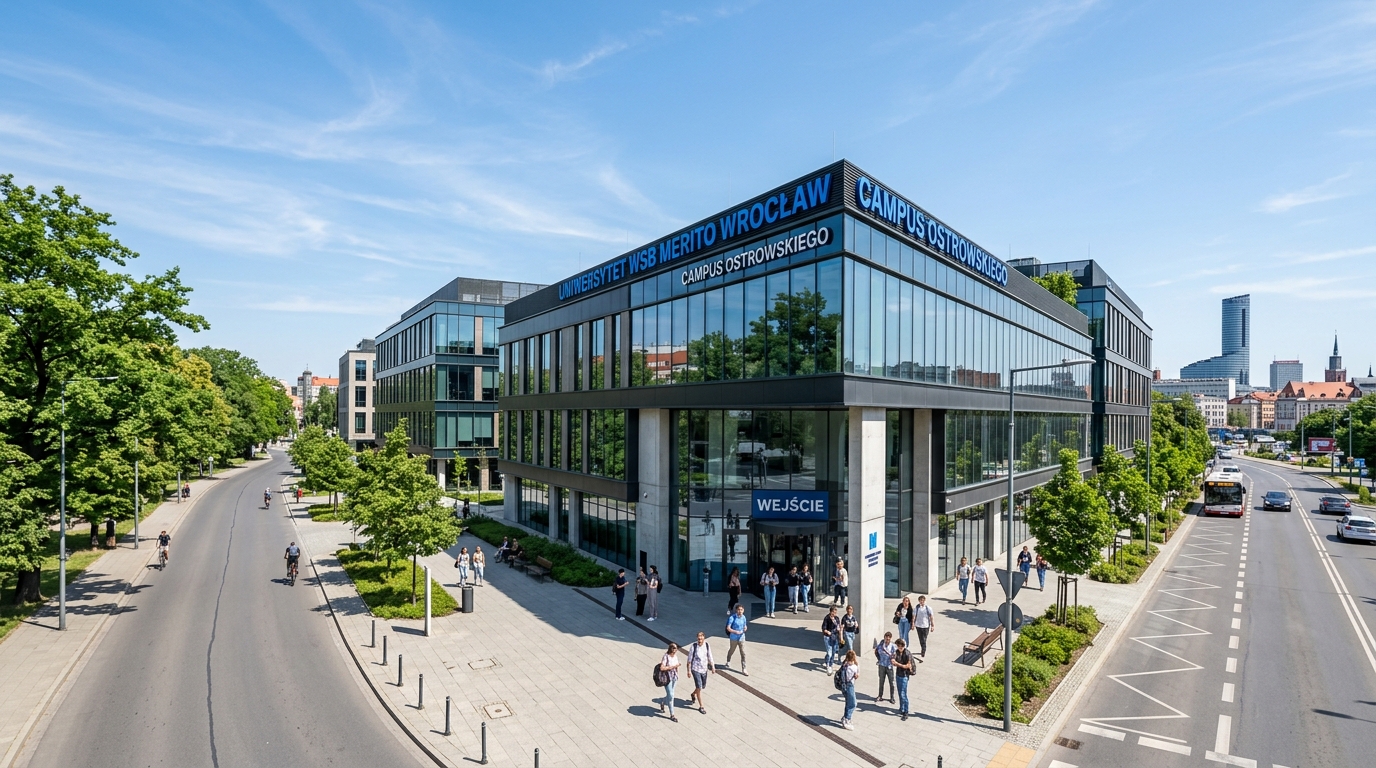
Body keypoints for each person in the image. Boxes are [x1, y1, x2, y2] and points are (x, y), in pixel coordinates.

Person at [687, 631, 715, 713]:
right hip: (695, 669)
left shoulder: (707, 645)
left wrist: (713, 666)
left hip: (704, 669)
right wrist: (688, 671)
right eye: (698, 638)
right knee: (699, 687)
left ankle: (693, 694)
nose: (700, 640)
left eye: (701, 638)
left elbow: (710, 656)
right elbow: (689, 660)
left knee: (702, 686)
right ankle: (701, 706)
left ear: (704, 638)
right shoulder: (693, 646)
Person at [658, 641, 681, 722]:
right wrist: (671, 667)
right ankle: (672, 715)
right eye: (674, 648)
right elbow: (662, 668)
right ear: (670, 648)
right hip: (667, 678)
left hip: (674, 677)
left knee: (670, 694)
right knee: (671, 695)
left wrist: (677, 674)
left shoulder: (675, 657)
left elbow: (677, 666)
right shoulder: (666, 656)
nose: (675, 650)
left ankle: (663, 702)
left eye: (676, 648)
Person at [893, 639, 915, 720]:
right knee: (899, 692)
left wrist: (897, 664)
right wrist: (893, 661)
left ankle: (906, 711)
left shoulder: (907, 653)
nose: (897, 647)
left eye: (898, 646)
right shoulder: (897, 652)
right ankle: (901, 708)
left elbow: (908, 666)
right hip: (898, 674)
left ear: (901, 646)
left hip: (904, 676)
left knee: (903, 694)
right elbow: (894, 659)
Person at [873, 631, 897, 704]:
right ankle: (880, 695)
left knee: (891, 682)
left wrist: (893, 659)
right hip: (882, 665)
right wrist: (879, 659)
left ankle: (892, 697)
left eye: (888, 639)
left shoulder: (893, 646)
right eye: (886, 639)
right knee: (881, 681)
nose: (887, 640)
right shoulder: (881, 645)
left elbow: (895, 654)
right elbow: (876, 651)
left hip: (889, 666)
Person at [724, 604, 748, 675]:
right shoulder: (732, 617)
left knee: (743, 653)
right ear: (736, 610)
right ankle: (728, 660)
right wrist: (735, 632)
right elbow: (728, 628)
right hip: (734, 638)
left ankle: (744, 668)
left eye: (741, 610)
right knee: (732, 650)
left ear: (743, 610)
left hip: (742, 637)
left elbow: (745, 625)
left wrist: (745, 628)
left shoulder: (744, 617)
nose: (740, 611)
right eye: (738, 609)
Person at [839, 650, 859, 730]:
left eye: (851, 660)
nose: (850, 662)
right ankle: (847, 719)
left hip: (848, 685)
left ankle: (845, 717)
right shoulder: (847, 667)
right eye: (849, 660)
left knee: (848, 702)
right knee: (853, 703)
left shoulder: (847, 665)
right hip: (848, 686)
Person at [821, 605, 842, 672]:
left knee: (833, 652)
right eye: (833, 612)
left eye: (835, 612)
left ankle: (831, 663)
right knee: (829, 652)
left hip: (835, 637)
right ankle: (828, 664)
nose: (834, 614)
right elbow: (824, 628)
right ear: (831, 611)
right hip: (828, 637)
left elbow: (839, 627)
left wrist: (840, 636)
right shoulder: (827, 618)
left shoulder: (837, 618)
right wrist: (827, 631)